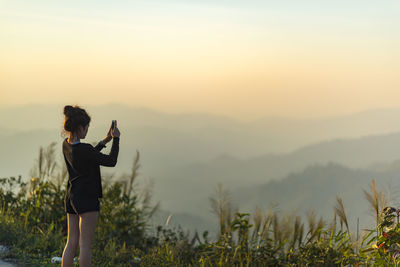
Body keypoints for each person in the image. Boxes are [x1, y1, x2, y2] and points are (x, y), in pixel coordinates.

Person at [61, 105, 120, 267]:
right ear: (80, 128)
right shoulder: (85, 149)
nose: (87, 130)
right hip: (87, 199)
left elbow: (88, 156)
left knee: (71, 242)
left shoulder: (66, 145)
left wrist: (105, 140)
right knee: (85, 245)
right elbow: (111, 161)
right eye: (86, 127)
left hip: (71, 196)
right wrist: (116, 139)